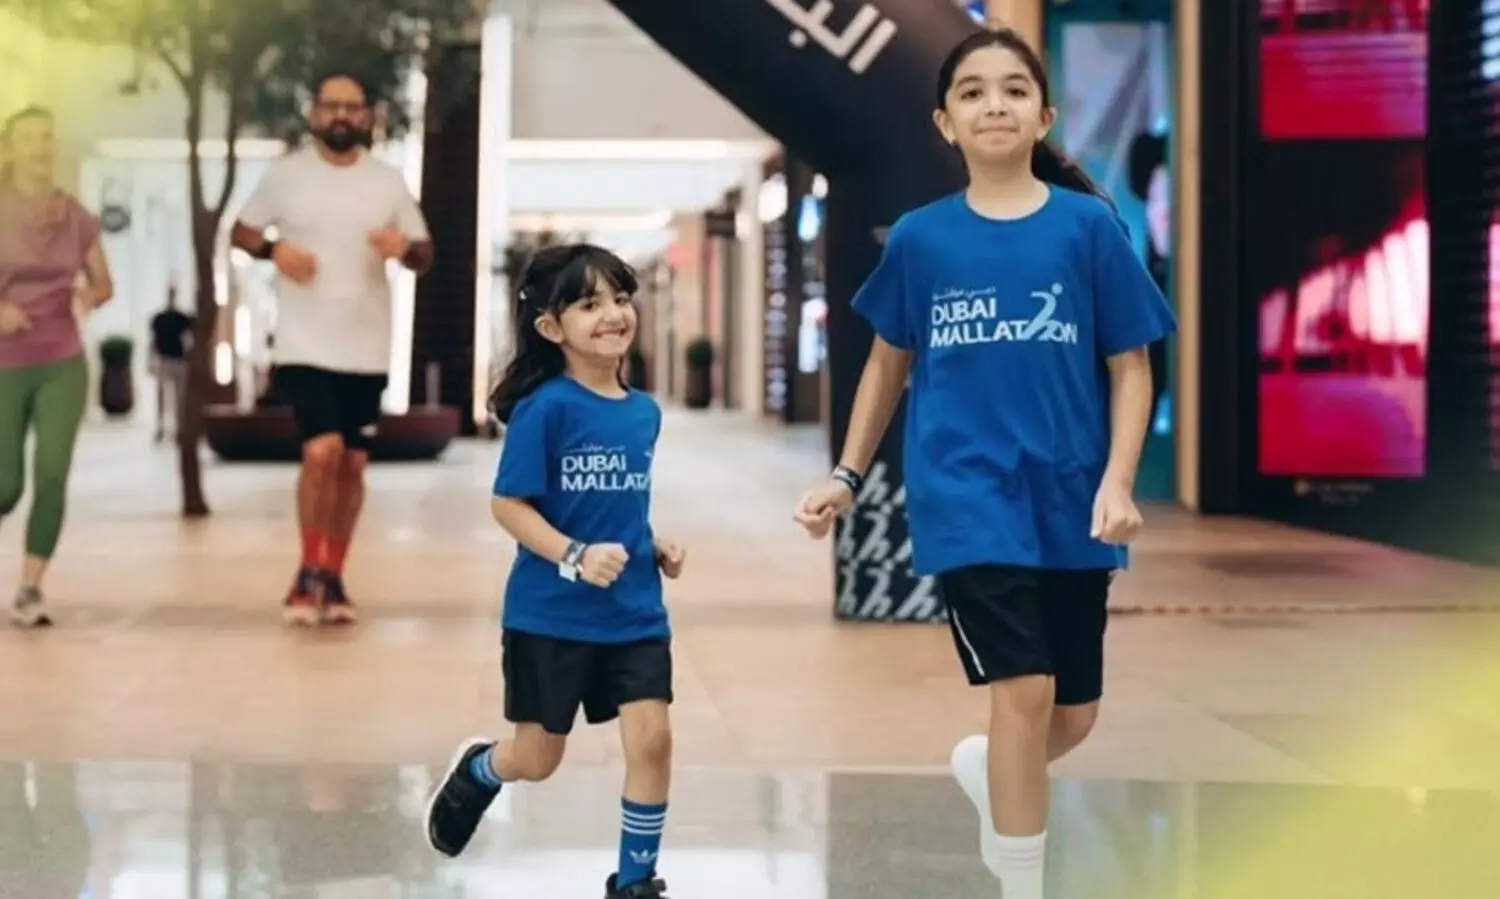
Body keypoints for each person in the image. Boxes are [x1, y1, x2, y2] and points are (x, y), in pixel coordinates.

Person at [792, 28, 1175, 899]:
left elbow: (1131, 365)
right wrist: (846, 478)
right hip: (966, 498)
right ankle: (1021, 884)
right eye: (971, 91)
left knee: (1070, 713)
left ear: (1043, 115)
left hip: (1075, 498)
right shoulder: (923, 240)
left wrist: (1118, 479)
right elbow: (886, 366)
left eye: (1012, 89)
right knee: (1027, 690)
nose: (992, 103)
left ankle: (986, 765)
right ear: (943, 122)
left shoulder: (1091, 228)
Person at [424, 244, 686, 899]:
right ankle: (482, 768)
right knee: (537, 758)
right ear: (550, 327)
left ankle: (635, 882)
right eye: (590, 303)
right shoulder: (546, 409)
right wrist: (573, 553)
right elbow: (508, 504)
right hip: (550, 612)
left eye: (621, 298)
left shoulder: (642, 412)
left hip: (633, 610)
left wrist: (652, 542)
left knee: (652, 740)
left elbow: (618, 504)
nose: (613, 314)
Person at [230, 71, 434, 627]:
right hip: (303, 339)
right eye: (330, 106)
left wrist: (402, 248)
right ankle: (307, 571)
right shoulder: (286, 175)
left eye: (352, 106)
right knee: (321, 452)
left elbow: (425, 252)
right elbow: (241, 234)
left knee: (352, 464)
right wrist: (275, 253)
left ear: (367, 115)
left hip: (366, 343)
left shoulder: (387, 182)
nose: (341, 115)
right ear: (314, 113)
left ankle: (334, 573)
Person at [0, 106, 114, 628]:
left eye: (47, 138)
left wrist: (89, 297)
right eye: (29, 139)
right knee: (5, 486)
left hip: (61, 361)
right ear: (10, 149)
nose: (41, 148)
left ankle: (29, 588)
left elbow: (103, 282)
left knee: (52, 473)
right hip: (4, 363)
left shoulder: (75, 215)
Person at [147, 285, 193, 443]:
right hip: (166, 359)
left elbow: (187, 340)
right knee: (165, 397)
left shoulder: (180, 319)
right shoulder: (162, 319)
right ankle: (162, 427)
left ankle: (178, 428)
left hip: (177, 360)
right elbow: (153, 342)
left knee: (177, 398)